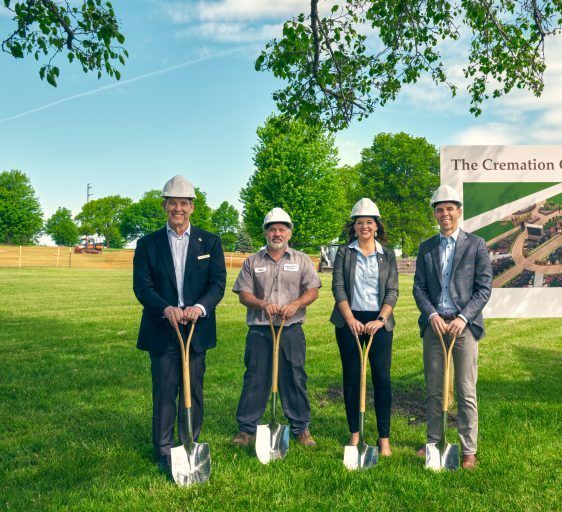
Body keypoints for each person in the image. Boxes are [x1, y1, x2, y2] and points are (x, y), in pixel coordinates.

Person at [133, 175, 226, 474]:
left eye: (184, 203)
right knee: (164, 389)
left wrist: (200, 307)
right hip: (163, 327)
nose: (178, 209)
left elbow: (218, 283)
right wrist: (165, 308)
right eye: (172, 203)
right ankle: (163, 449)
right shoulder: (147, 244)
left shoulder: (210, 241)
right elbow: (142, 286)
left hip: (196, 327)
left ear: (192, 207)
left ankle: (189, 443)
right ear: (164, 206)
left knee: (193, 388)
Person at [412, 184, 492, 470]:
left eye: (449, 209)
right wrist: (432, 315)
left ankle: (468, 449)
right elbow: (419, 288)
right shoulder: (427, 247)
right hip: (435, 325)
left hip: (464, 327)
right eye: (439, 210)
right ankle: (434, 442)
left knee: (465, 389)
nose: (444, 214)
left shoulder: (476, 245)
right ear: (435, 214)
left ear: (459, 211)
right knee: (434, 388)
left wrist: (463, 318)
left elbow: (484, 288)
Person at [231, 207, 321, 448]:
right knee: (255, 377)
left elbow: (313, 291)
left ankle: (301, 429)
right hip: (260, 330)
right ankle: (246, 429)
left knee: (295, 377)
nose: (277, 234)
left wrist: (295, 305)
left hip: (291, 330)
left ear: (289, 233)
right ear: (265, 233)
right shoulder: (253, 261)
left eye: (282, 229)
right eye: (272, 229)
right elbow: (243, 294)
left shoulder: (301, 259)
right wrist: (262, 304)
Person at [330, 198, 399, 456]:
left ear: (377, 225)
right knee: (351, 377)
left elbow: (392, 290)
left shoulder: (387, 254)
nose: (364, 227)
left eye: (369, 222)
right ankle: (355, 434)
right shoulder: (344, 252)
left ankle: (384, 438)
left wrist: (380, 320)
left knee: (381, 378)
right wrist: (350, 319)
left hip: (379, 322)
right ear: (354, 226)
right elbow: (338, 287)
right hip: (349, 321)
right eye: (360, 222)